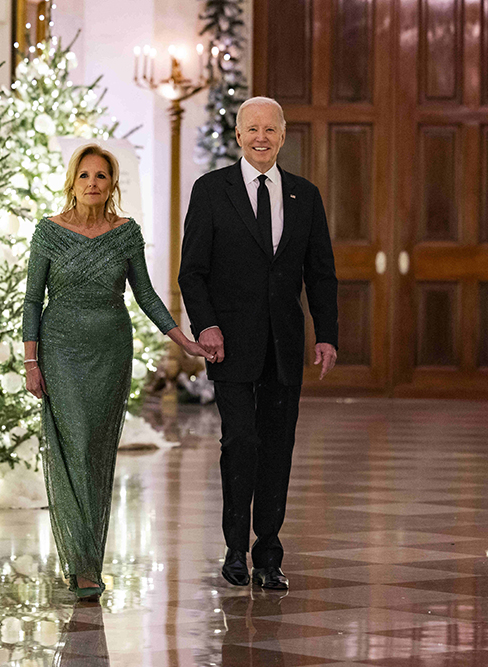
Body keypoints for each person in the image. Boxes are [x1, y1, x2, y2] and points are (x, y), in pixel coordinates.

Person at [23, 143, 209, 601]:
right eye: (84, 175)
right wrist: (31, 360)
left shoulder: (126, 234)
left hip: (110, 348)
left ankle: (88, 561)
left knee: (97, 450)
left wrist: (183, 339)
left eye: (100, 176)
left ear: (112, 184)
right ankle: (81, 561)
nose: (92, 183)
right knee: (75, 444)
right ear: (72, 181)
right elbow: (32, 301)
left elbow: (144, 294)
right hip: (60, 350)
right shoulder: (48, 232)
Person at [178, 97, 338, 591]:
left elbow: (322, 274)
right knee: (240, 442)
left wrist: (327, 334)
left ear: (283, 135)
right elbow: (193, 272)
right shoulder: (211, 191)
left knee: (278, 447)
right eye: (252, 129)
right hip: (228, 345)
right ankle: (234, 548)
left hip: (283, 347)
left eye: (270, 129)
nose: (261, 137)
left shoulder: (304, 196)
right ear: (239, 134)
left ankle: (269, 552)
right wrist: (205, 327)